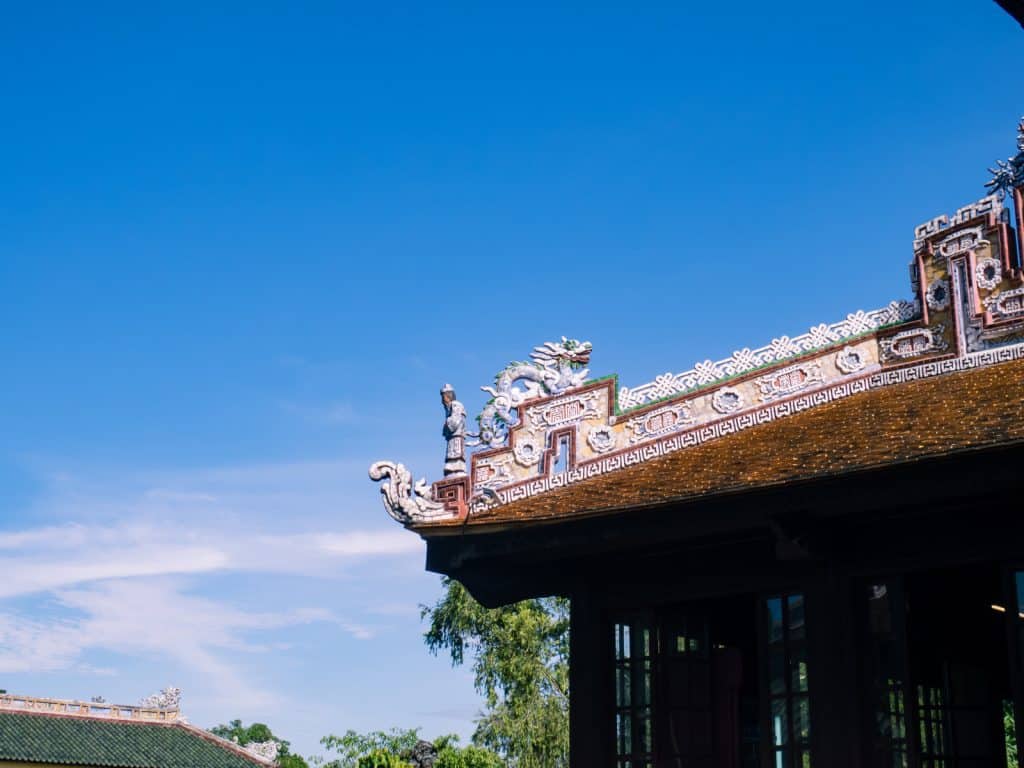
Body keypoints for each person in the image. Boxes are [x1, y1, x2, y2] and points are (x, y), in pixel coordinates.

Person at [440, 384, 466, 476]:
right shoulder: (449, 408)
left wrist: (446, 423)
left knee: (456, 450)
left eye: (443, 397)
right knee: (451, 449)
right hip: (452, 436)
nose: (442, 400)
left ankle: (456, 465)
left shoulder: (456, 404)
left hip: (457, 435)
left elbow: (455, 421)